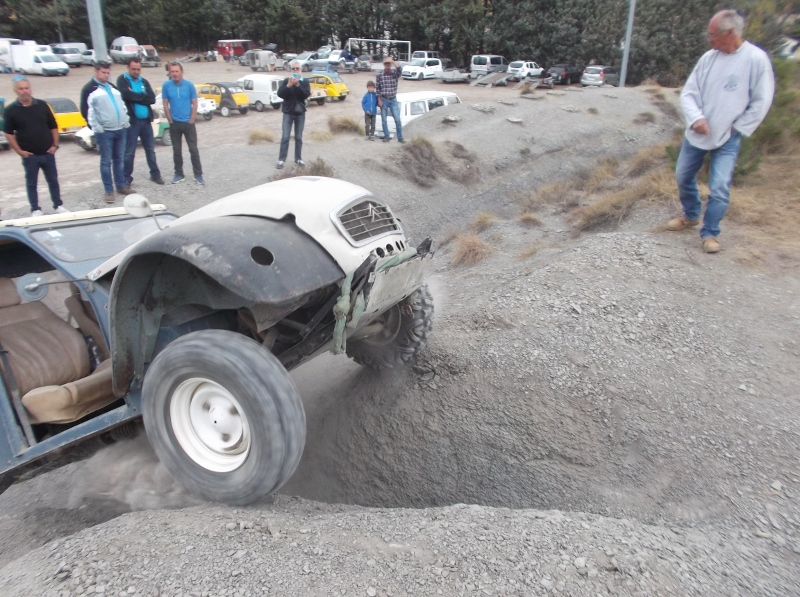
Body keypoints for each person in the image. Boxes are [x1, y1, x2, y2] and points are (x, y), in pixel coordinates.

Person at [666, 9, 774, 253]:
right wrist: (696, 118)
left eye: (712, 34)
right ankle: (691, 215)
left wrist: (738, 128)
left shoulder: (756, 59)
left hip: (728, 136)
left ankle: (710, 232)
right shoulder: (708, 59)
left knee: (720, 186)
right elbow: (689, 93)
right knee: (683, 176)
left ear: (730, 33)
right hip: (697, 134)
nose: (709, 39)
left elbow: (762, 100)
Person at [3, 75, 67, 216]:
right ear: (15, 91)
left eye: (26, 88)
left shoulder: (42, 105)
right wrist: (20, 151)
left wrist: (55, 145)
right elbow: (8, 133)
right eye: (21, 89)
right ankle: (35, 209)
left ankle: (58, 205)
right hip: (30, 156)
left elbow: (53, 126)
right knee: (32, 183)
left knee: (53, 180)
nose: (24, 91)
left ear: (30, 89)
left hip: (48, 153)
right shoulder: (11, 110)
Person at [80, 60, 132, 203]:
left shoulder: (112, 88)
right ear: (96, 71)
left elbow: (122, 106)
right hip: (105, 132)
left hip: (120, 129)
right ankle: (109, 190)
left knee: (119, 159)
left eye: (108, 73)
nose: (106, 75)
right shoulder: (89, 89)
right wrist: (97, 128)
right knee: (106, 161)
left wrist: (125, 120)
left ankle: (121, 185)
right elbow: (86, 111)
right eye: (103, 72)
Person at [116, 57, 164, 187]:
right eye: (134, 69)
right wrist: (143, 96)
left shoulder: (144, 81)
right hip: (132, 122)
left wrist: (135, 96)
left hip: (146, 122)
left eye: (138, 69)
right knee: (129, 152)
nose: (136, 72)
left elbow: (152, 99)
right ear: (128, 67)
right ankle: (126, 178)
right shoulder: (122, 80)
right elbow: (125, 95)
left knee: (150, 150)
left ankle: (155, 174)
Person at [162, 61, 204, 185]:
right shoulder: (166, 86)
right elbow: (165, 103)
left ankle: (198, 175)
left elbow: (194, 103)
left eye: (177, 71)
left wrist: (192, 119)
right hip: (174, 123)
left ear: (182, 72)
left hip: (188, 123)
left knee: (193, 150)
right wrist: (170, 120)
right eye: (172, 71)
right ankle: (179, 174)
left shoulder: (189, 85)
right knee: (177, 150)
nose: (175, 74)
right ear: (170, 73)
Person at [276, 60, 310, 169]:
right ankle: (281, 160)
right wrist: (288, 85)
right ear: (291, 70)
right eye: (293, 68)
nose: (295, 70)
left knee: (298, 137)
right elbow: (280, 94)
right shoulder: (286, 81)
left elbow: (305, 95)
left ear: (300, 70)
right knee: (285, 137)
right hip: (287, 112)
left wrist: (298, 85)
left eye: (297, 68)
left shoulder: (305, 81)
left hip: (300, 113)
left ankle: (298, 158)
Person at [376, 57, 405, 143]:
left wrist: (392, 61)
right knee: (384, 120)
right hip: (384, 99)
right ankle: (387, 136)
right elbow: (377, 88)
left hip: (393, 99)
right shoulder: (379, 75)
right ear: (383, 65)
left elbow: (400, 69)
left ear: (391, 64)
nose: (387, 65)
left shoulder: (394, 74)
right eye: (386, 63)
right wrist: (379, 100)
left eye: (389, 63)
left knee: (397, 119)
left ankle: (400, 138)